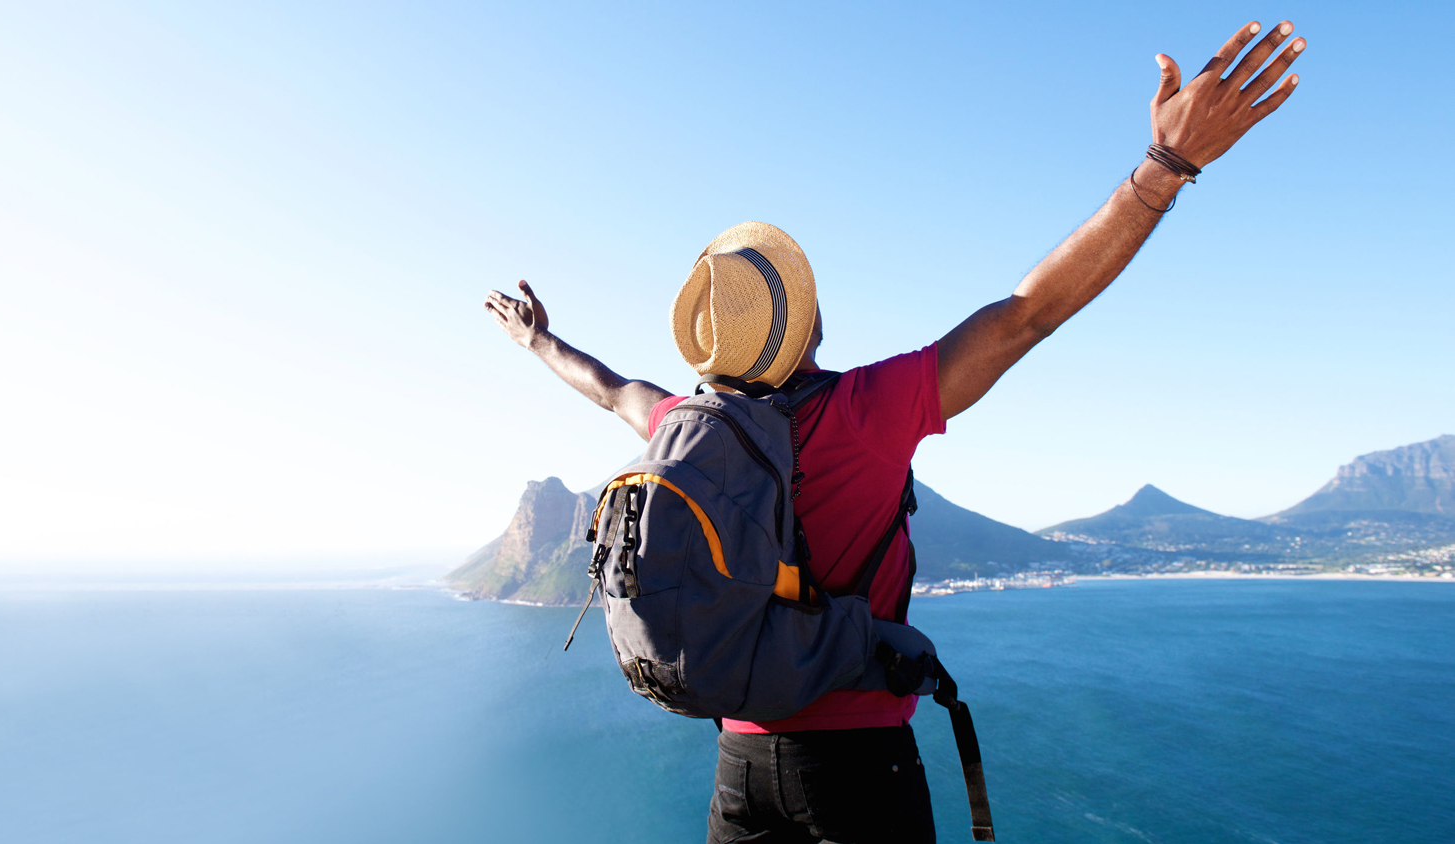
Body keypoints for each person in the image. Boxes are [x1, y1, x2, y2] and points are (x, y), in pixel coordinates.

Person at [484, 19, 1306, 844]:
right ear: (809, 325)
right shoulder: (868, 412)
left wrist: (536, 341)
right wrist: (1165, 167)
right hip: (856, 767)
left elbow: (609, 390)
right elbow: (1027, 316)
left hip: (739, 770)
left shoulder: (682, 429)